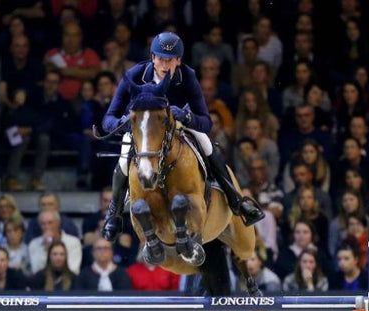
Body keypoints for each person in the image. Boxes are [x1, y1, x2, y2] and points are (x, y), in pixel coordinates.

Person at [99, 32, 264, 243]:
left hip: (178, 127)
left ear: (178, 60)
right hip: (144, 130)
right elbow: (108, 120)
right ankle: (114, 213)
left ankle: (236, 201)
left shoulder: (187, 76)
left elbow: (206, 121)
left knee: (206, 144)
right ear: (152, 57)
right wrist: (125, 123)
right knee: (124, 159)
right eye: (160, 58)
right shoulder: (134, 75)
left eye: (170, 60)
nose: (164, 64)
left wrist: (186, 117)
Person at [27, 209, 82, 275]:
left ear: (58, 223)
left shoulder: (73, 242)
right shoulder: (34, 244)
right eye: (43, 224)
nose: (47, 227)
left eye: (50, 223)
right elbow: (36, 270)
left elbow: (74, 269)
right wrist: (46, 249)